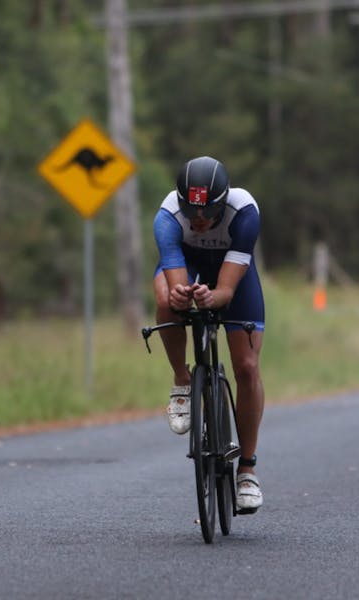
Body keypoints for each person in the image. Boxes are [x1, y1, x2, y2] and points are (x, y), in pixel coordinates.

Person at [152, 156, 265, 513]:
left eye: (207, 213)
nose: (198, 221)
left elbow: (226, 294)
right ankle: (182, 379)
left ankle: (247, 469)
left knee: (246, 367)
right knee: (167, 301)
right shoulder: (167, 218)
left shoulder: (244, 212)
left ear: (223, 201)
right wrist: (184, 294)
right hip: (188, 264)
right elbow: (175, 284)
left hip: (233, 273)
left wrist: (213, 295)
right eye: (191, 213)